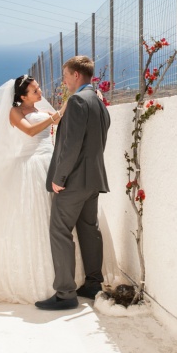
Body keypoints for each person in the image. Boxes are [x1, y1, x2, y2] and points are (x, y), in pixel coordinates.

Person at [0, 74, 115, 306]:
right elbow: (30, 131)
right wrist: (58, 114)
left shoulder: (42, 110)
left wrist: (91, 98)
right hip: (30, 166)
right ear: (22, 96)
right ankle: (44, 282)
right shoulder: (15, 112)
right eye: (35, 91)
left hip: (51, 164)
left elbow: (68, 123)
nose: (40, 93)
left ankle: (75, 281)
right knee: (37, 220)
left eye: (38, 88)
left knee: (60, 221)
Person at [35, 56, 112, 311]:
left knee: (60, 231)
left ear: (77, 75)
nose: (64, 80)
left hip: (75, 181)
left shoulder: (78, 100)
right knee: (90, 230)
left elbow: (71, 145)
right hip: (93, 179)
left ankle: (65, 294)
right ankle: (93, 284)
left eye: (66, 75)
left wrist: (59, 178)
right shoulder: (98, 101)